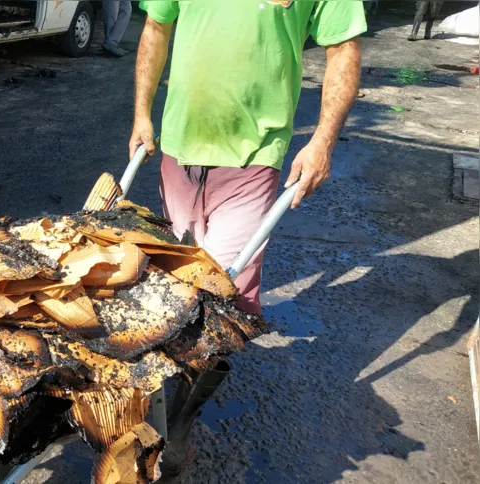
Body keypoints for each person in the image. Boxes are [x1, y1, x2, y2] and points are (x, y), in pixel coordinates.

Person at [129, 0, 365, 479]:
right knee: (168, 287)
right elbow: (156, 25)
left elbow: (343, 48)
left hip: (254, 154)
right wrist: (142, 114)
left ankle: (178, 427)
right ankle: (146, 401)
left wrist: (321, 141)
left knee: (221, 295)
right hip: (178, 146)